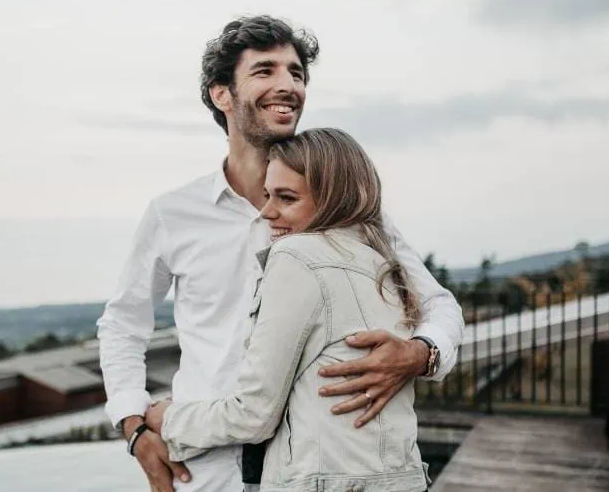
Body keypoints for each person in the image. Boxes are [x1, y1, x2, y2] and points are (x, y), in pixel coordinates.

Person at [97, 15, 464, 492]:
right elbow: (122, 325)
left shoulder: (346, 210)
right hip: (204, 468)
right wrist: (134, 427)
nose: (288, 85)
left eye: (296, 73)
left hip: (313, 470)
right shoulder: (172, 214)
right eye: (265, 71)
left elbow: (439, 304)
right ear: (221, 95)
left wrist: (421, 354)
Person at [145, 127, 433, 491]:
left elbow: (255, 415)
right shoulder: (384, 265)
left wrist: (168, 419)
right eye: (267, 195)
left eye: (287, 198)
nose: (267, 212)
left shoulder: (296, 256)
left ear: (332, 198)